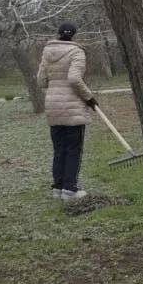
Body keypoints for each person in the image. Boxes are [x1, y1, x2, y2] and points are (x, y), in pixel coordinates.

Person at [37, 22, 96, 201]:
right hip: (73, 109)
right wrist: (89, 98)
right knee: (73, 149)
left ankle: (58, 188)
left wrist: (54, 88)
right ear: (74, 35)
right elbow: (74, 79)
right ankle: (70, 190)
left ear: (58, 33)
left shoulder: (47, 52)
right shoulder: (77, 52)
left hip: (53, 107)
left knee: (59, 149)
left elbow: (40, 81)